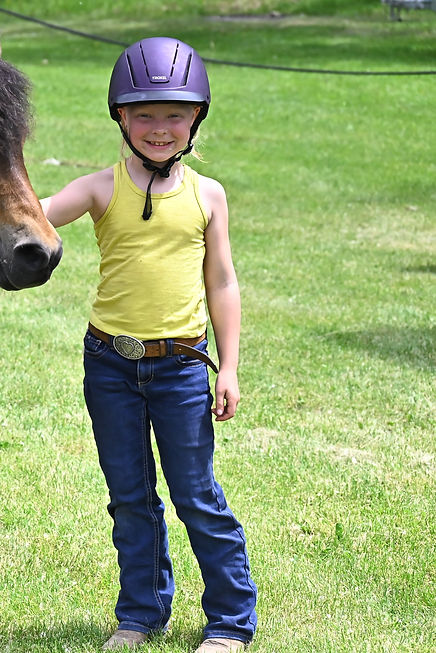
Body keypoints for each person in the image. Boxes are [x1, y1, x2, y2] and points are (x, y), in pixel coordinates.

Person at [40, 37, 258, 652]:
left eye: (174, 114)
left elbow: (222, 281)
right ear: (120, 117)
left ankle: (231, 621)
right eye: (145, 114)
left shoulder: (206, 195)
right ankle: (140, 613)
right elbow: (34, 215)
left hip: (183, 367)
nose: (159, 128)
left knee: (195, 496)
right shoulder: (99, 188)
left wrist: (230, 367)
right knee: (129, 497)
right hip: (109, 364)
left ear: (196, 119)